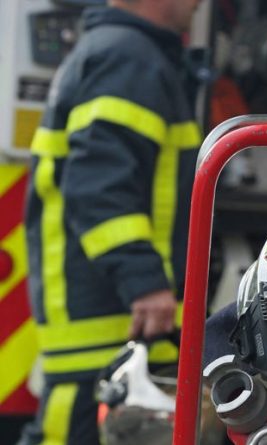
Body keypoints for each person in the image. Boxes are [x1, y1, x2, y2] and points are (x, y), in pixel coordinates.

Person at [20, 0, 203, 443]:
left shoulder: (122, 51)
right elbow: (97, 186)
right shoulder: (128, 57)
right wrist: (143, 281)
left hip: (107, 317)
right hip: (106, 317)